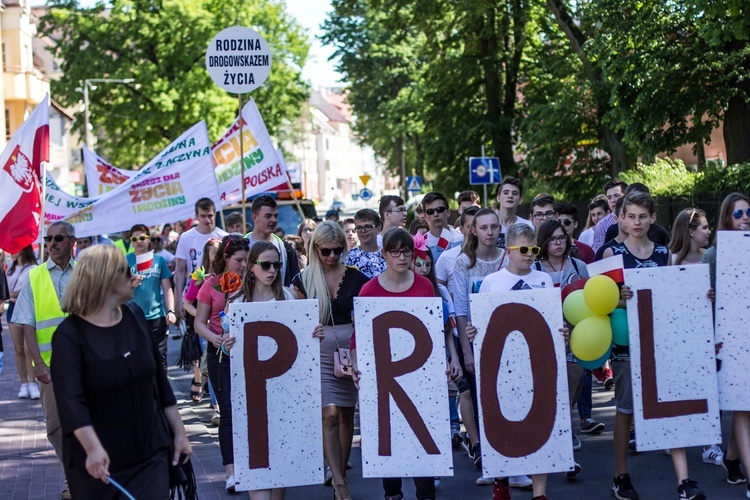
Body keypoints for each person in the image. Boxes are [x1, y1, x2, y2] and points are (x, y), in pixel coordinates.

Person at [50, 245, 191, 498]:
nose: (134, 275)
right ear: (106, 278)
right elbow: (72, 403)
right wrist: (93, 448)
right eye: (127, 271)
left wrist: (179, 433)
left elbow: (159, 381)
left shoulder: (135, 315)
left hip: (150, 453)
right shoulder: (69, 336)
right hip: (98, 464)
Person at [603, 192, 705, 500]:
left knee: (669, 406)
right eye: (631, 216)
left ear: (653, 218)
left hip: (661, 341)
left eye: (642, 217)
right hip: (626, 345)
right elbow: (599, 300)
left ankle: (684, 480)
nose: (637, 222)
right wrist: (618, 298)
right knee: (625, 409)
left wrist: (703, 295)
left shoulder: (665, 253)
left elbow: (677, 296)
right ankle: (620, 475)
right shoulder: (611, 253)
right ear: (621, 217)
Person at [351, 228, 458, 500]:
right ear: (384, 254)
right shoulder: (369, 289)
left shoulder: (424, 286)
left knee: (422, 433)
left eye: (406, 251)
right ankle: (393, 493)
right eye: (395, 252)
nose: (401, 257)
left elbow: (437, 327)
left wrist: (447, 358)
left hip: (421, 374)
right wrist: (355, 365)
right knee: (388, 433)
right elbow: (358, 335)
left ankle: (425, 493)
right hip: (384, 376)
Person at [227, 240, 325, 500]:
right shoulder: (237, 302)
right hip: (253, 397)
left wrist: (313, 333)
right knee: (256, 456)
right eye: (266, 265)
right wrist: (227, 345)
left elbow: (305, 342)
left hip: (285, 393)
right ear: (251, 268)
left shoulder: (290, 296)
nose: (272, 270)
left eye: (277, 265)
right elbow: (231, 351)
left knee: (279, 461)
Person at [477, 223, 566, 500]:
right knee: (502, 421)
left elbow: (553, 317)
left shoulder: (542, 280)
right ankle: (501, 482)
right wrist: (474, 331)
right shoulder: (493, 282)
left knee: (543, 422)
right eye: (523, 250)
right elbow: (482, 322)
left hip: (536, 359)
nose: (529, 255)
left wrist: (561, 330)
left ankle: (540, 492)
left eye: (534, 250)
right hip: (503, 363)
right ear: (509, 250)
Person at [292, 221, 369, 500]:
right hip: (319, 354)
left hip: (351, 351)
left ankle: (341, 473)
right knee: (329, 415)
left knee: (348, 414)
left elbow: (366, 316)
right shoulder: (302, 280)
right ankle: (339, 484)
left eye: (338, 250)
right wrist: (306, 327)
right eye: (326, 251)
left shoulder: (357, 278)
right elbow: (294, 322)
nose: (332, 256)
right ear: (315, 249)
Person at [12, 221, 77, 499]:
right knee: (55, 425)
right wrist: (38, 363)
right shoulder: (35, 276)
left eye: (58, 237)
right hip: (50, 367)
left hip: (85, 362)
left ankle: (82, 477)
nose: (52, 242)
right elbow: (27, 324)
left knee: (88, 419)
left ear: (72, 241)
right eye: (48, 238)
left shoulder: (85, 273)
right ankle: (72, 474)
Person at [533, 219, 591, 473]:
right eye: (553, 239)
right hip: (543, 339)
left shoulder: (579, 266)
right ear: (543, 243)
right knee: (547, 395)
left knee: (568, 397)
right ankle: (552, 448)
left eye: (562, 238)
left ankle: (566, 453)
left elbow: (591, 301)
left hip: (575, 337)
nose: (558, 243)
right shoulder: (534, 269)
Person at [702, 192, 750, 490]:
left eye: (748, 212)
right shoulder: (713, 255)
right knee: (743, 406)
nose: (745, 218)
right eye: (738, 214)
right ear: (727, 219)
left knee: (744, 403)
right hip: (729, 338)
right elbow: (703, 304)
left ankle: (732, 458)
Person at [195, 235, 249, 492]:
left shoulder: (252, 281)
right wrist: (216, 339)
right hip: (220, 355)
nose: (243, 264)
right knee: (227, 411)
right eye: (238, 260)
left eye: (247, 260)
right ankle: (232, 471)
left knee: (248, 411)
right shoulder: (210, 285)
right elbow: (199, 323)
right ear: (225, 259)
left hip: (249, 353)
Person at [126, 224, 176, 370]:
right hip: (133, 317)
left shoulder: (159, 260)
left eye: (142, 238)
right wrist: (130, 283)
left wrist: (171, 311)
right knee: (138, 360)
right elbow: (116, 289)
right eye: (134, 239)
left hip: (156, 317)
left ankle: (161, 392)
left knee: (160, 360)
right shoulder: (125, 261)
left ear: (149, 239)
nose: (139, 241)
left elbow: (167, 288)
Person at [174, 198, 228, 320]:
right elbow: (180, 271)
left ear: (215, 214)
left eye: (210, 215)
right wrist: (177, 302)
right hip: (193, 294)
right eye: (203, 216)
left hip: (217, 293)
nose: (207, 220)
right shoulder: (186, 237)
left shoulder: (224, 237)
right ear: (196, 216)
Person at [245, 195, 300, 287]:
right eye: (268, 216)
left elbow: (295, 285)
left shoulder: (287, 249)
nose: (274, 220)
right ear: (254, 217)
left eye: (275, 216)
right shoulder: (242, 247)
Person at [5, 245, 38, 399]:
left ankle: (33, 383)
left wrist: (8, 294)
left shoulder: (33, 267)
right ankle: (24, 383)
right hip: (12, 307)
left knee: (28, 348)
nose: (11, 251)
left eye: (14, 248)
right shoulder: (9, 267)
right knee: (18, 349)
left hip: (28, 306)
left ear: (23, 249)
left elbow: (29, 289)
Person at [494, 176, 534, 248]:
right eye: (506, 193)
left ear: (520, 200)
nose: (510, 196)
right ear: (498, 198)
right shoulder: (488, 225)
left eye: (515, 193)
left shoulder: (528, 226)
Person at [347, 209, 387, 278]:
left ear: (379, 228)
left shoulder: (388, 255)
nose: (363, 231)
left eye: (367, 227)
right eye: (359, 227)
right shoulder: (349, 258)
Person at [423, 191, 461, 261]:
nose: (436, 214)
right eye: (430, 211)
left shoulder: (461, 238)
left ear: (448, 212)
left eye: (440, 210)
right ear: (425, 216)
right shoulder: (422, 244)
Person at [592, 179, 628, 252]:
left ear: (626, 195)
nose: (613, 200)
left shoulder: (636, 219)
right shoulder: (602, 226)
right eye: (609, 197)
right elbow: (599, 254)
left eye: (616, 196)